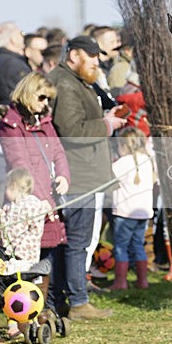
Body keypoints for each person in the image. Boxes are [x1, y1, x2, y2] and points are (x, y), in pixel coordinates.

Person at [49, 35, 127, 320]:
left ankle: (62, 299)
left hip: (81, 172)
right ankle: (78, 302)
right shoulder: (66, 83)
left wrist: (109, 115)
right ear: (74, 55)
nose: (97, 61)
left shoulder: (74, 79)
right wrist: (107, 124)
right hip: (77, 174)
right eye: (92, 55)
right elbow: (72, 129)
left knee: (71, 241)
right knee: (76, 241)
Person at [0, 72, 69, 312]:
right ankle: (28, 309)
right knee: (29, 259)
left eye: (48, 99)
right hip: (28, 201)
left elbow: (58, 151)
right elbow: (21, 164)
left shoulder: (45, 120)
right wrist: (42, 201)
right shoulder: (10, 124)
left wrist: (63, 176)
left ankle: (47, 305)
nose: (46, 104)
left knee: (49, 256)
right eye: (42, 98)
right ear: (28, 94)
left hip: (49, 198)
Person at [0, 168, 51, 338]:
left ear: (15, 187)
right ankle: (14, 324)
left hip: (23, 256)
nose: (5, 192)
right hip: (11, 256)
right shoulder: (9, 206)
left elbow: (30, 227)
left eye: (7, 188)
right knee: (11, 290)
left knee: (19, 289)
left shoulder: (32, 205)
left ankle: (27, 321)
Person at [110, 127, 155, 290]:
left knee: (121, 247)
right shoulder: (148, 160)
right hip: (143, 213)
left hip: (124, 212)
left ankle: (120, 282)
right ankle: (143, 281)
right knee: (137, 245)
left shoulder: (123, 162)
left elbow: (108, 177)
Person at [0, 22, 31, 105]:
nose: (23, 37)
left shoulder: (1, 59)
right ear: (13, 39)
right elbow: (28, 93)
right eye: (20, 34)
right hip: (14, 113)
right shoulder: (14, 65)